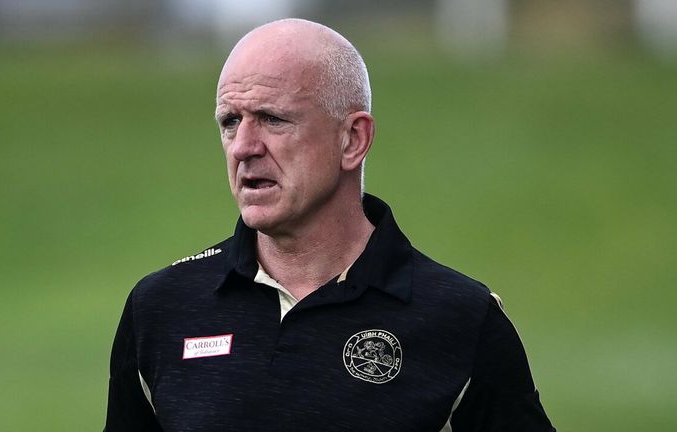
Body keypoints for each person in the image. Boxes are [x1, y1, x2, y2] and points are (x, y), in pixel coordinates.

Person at [104, 18, 555, 431]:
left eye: (272, 119)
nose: (243, 146)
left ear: (353, 139)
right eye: (230, 122)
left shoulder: (462, 319)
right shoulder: (160, 308)